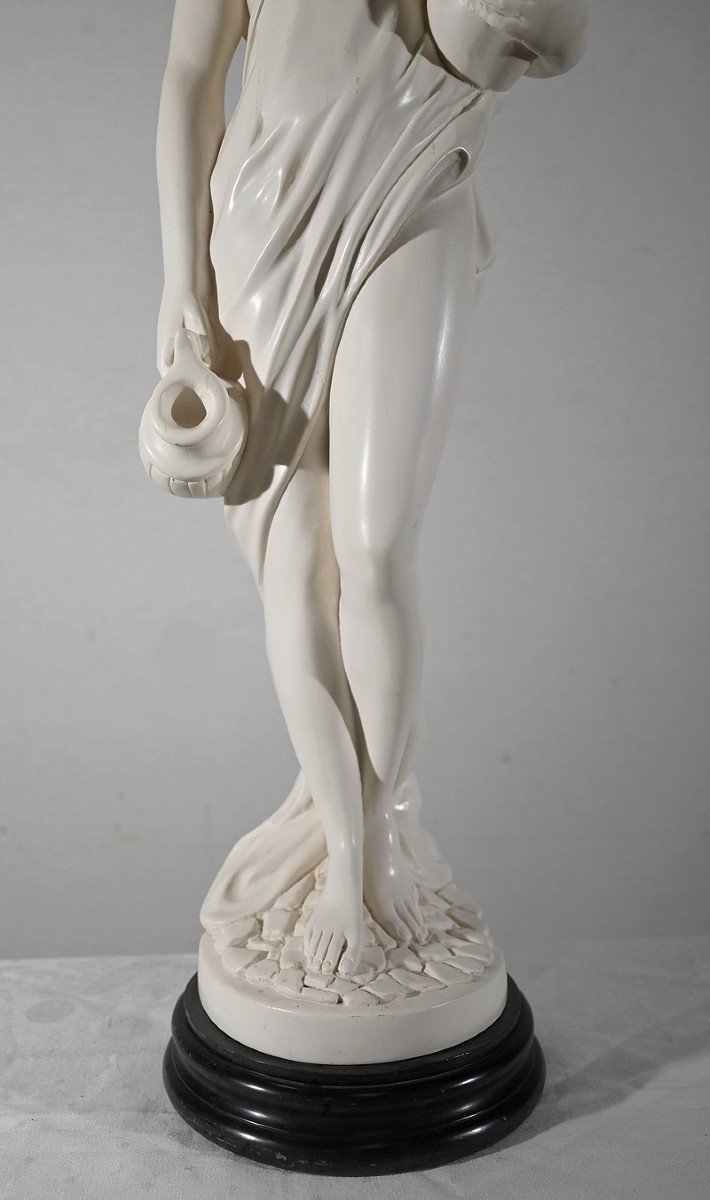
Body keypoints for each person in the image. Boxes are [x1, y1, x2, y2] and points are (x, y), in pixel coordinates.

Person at [156, 0, 588, 977]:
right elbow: (190, 77)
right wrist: (180, 278)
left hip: (414, 181)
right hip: (266, 224)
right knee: (296, 565)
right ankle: (344, 853)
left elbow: (557, 38)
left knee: (377, 545)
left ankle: (382, 828)